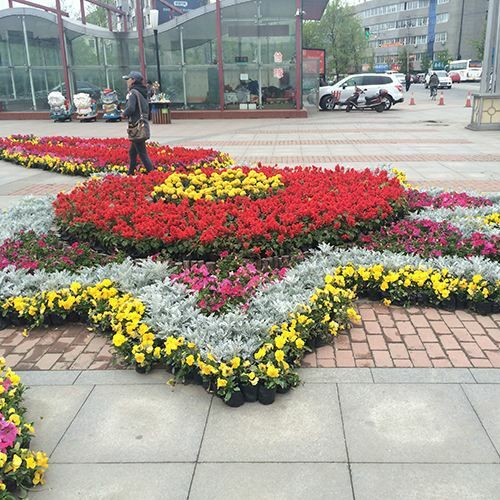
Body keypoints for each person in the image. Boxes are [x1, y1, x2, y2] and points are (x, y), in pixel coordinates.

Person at [122, 71, 154, 176]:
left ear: (133, 80)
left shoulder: (132, 93)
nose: (127, 81)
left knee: (142, 153)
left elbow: (131, 108)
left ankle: (153, 174)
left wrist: (123, 113)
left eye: (128, 79)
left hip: (136, 126)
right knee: (132, 152)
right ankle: (130, 172)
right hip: (142, 124)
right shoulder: (142, 92)